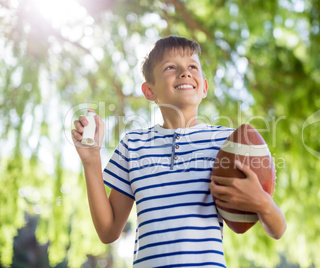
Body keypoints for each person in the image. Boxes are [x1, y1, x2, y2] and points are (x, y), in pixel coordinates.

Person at [71, 36, 286, 267]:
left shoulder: (228, 144)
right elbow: (108, 231)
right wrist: (91, 159)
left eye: (192, 66)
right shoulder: (133, 145)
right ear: (149, 90)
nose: (185, 72)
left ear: (203, 87)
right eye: (170, 67)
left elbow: (278, 229)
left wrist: (262, 203)